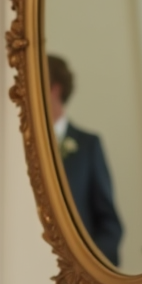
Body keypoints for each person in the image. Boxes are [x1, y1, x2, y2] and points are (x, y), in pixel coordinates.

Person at [47, 54, 123, 265]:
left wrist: (87, 265)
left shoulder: (88, 145)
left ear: (55, 89)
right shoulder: (20, 149)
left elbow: (109, 225)